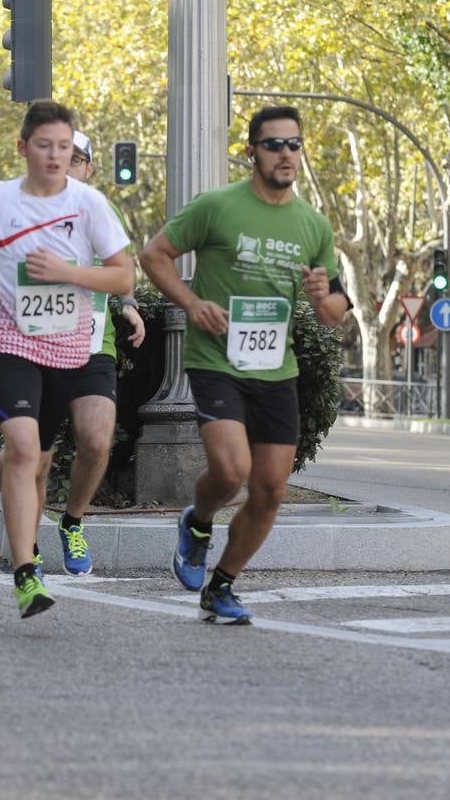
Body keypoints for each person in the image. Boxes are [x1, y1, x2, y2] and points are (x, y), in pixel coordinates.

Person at [138, 105, 349, 624]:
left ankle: (223, 584)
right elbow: (155, 255)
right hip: (218, 359)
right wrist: (192, 305)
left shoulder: (313, 225)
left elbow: (333, 314)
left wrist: (324, 296)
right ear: (252, 150)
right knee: (231, 472)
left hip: (277, 369)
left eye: (294, 145)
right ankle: (199, 520)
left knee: (271, 489)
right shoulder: (217, 206)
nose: (286, 154)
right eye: (275, 144)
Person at [0, 100, 133, 617]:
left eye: (65, 148)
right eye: (45, 146)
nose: (55, 157)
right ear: (23, 148)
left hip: (70, 346)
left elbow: (124, 276)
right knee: (25, 448)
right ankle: (26, 570)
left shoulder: (90, 203)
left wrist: (68, 272)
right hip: (9, 338)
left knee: (37, 452)